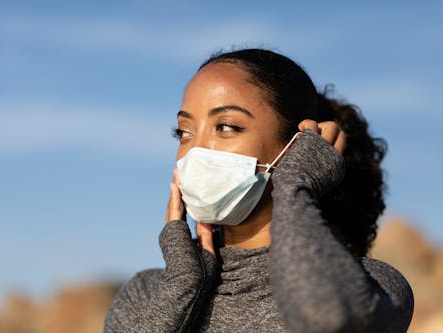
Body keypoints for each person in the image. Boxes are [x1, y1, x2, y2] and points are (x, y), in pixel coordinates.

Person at [103, 48, 414, 332]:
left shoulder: (374, 285)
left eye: (226, 127)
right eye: (183, 132)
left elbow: (328, 317)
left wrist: (296, 187)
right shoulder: (146, 293)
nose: (195, 151)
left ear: (297, 147)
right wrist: (182, 287)